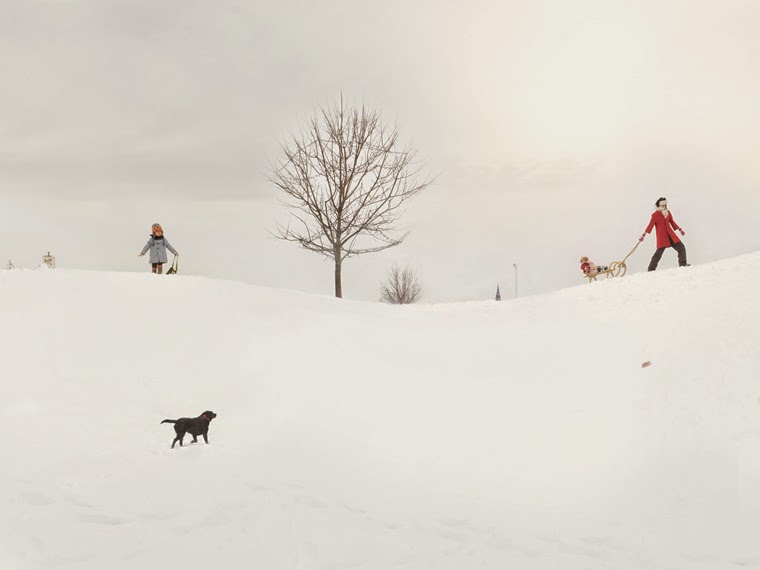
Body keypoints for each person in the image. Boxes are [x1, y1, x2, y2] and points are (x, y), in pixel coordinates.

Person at [639, 197, 689, 271]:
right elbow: (650, 225)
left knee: (681, 247)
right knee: (658, 253)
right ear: (659, 205)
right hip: (662, 237)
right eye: (663, 205)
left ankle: (683, 264)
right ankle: (651, 268)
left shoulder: (668, 212)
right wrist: (644, 234)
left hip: (671, 235)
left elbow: (672, 222)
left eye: (665, 205)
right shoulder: (655, 215)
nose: (664, 206)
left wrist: (679, 229)